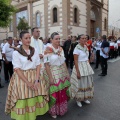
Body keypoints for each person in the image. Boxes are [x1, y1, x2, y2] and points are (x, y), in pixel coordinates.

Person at [5, 31, 49, 120]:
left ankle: (32, 116)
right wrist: (28, 83)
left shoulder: (34, 50)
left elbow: (38, 65)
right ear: (21, 39)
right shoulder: (16, 52)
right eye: (26, 38)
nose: (28, 40)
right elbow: (17, 69)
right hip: (22, 78)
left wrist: (37, 80)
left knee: (35, 97)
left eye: (29, 38)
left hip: (34, 75)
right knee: (22, 96)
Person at [43, 32, 71, 118]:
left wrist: (67, 74)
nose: (58, 40)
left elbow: (63, 62)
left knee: (61, 90)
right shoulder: (48, 49)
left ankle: (61, 109)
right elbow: (46, 64)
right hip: (52, 71)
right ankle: (53, 111)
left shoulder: (61, 49)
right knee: (54, 91)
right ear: (51, 40)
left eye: (59, 38)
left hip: (61, 71)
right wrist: (50, 77)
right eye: (56, 39)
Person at [70, 34, 94, 107]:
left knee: (86, 83)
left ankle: (85, 98)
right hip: (80, 66)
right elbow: (76, 61)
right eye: (82, 38)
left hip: (86, 66)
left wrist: (89, 64)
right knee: (80, 83)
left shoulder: (86, 47)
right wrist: (77, 72)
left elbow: (87, 58)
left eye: (85, 38)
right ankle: (78, 99)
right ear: (79, 40)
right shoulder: (77, 48)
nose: (84, 39)